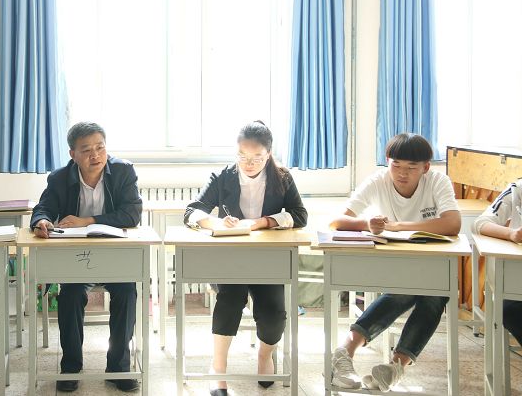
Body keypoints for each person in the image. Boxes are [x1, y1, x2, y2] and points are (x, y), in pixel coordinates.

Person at [328, 133, 461, 392]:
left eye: (411, 167)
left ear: (426, 167)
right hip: (393, 265)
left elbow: (453, 224)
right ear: (387, 161)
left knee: (434, 293)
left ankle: (393, 365)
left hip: (430, 264)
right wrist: (367, 224)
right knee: (407, 289)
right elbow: (336, 221)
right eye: (396, 165)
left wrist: (398, 226)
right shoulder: (378, 181)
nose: (402, 173)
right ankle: (348, 354)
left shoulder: (437, 181)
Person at [183, 121, 307, 395]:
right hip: (230, 259)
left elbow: (300, 215)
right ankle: (218, 367)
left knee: (273, 312)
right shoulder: (223, 177)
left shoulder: (282, 178)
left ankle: (264, 356)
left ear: (269, 154)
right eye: (242, 156)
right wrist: (215, 223)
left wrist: (264, 221)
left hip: (268, 261)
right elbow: (192, 211)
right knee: (230, 300)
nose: (248, 164)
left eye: (257, 158)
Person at [31, 122, 142, 393]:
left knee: (127, 292)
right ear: (73, 154)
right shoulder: (59, 178)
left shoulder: (123, 171)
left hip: (115, 255)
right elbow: (43, 207)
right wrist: (42, 220)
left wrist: (88, 220)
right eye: (86, 150)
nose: (95, 155)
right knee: (70, 295)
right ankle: (70, 366)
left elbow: (132, 214)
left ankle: (118, 367)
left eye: (100, 148)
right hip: (77, 258)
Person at [472, 178, 522, 346]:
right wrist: (512, 234)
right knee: (509, 309)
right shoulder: (517, 188)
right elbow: (480, 224)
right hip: (518, 281)